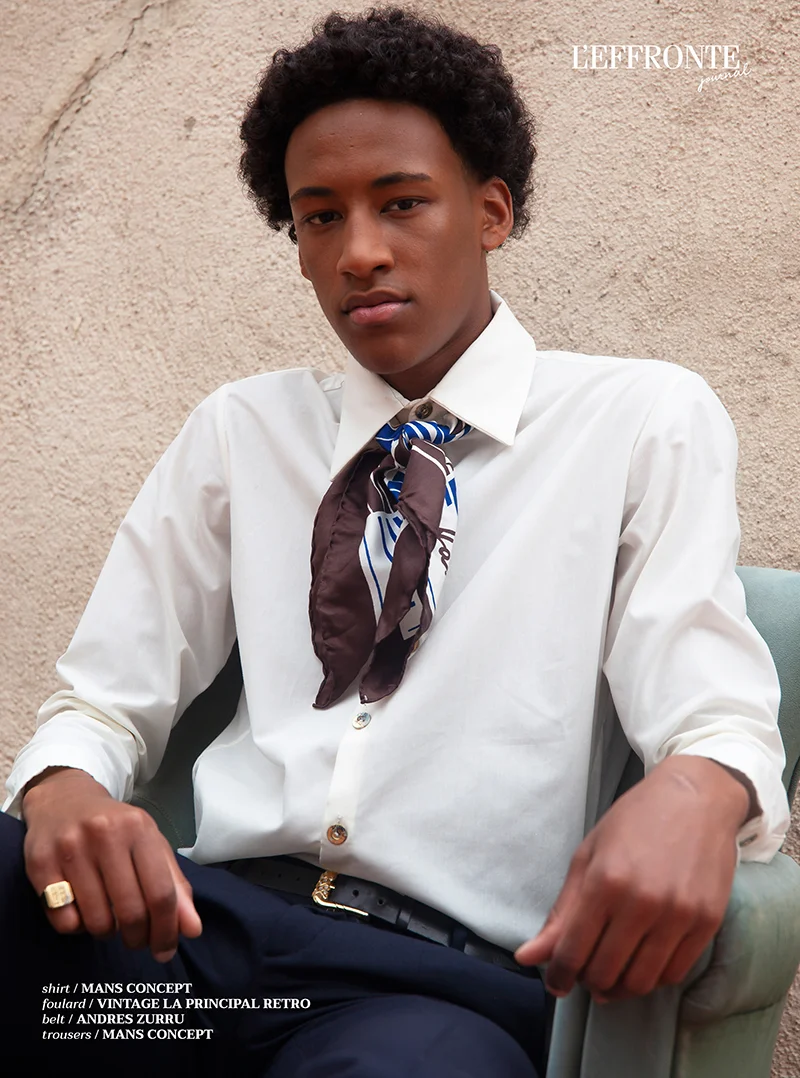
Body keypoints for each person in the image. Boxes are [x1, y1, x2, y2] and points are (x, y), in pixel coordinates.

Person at [2, 7, 790, 1076]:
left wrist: (696, 790)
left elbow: (712, 708)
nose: (359, 252)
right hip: (183, 960)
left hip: (431, 987)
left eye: (402, 202)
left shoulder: (638, 420)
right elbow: (100, 704)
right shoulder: (242, 431)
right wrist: (63, 790)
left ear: (491, 211)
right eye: (319, 218)